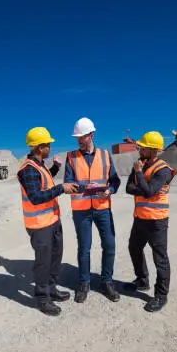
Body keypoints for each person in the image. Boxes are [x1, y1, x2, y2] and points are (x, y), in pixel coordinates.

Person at [17, 126, 79, 316]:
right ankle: (43, 299)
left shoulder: (40, 166)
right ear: (38, 147)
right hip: (39, 225)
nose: (50, 148)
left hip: (52, 221)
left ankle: (51, 289)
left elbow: (44, 181)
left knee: (55, 258)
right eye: (47, 145)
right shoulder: (27, 170)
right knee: (43, 263)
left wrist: (56, 168)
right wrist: (61, 188)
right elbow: (36, 196)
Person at [64, 117, 121, 303]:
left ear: (92, 135)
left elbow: (115, 180)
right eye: (77, 137)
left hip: (102, 208)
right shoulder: (71, 157)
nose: (79, 140)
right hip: (81, 210)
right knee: (84, 248)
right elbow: (68, 183)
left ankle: (107, 282)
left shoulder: (105, 155)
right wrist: (84, 188)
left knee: (110, 245)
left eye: (83, 136)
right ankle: (84, 283)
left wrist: (109, 190)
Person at [125, 131, 176, 312]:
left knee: (160, 258)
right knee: (134, 248)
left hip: (156, 221)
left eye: (143, 147)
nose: (140, 149)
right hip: (140, 218)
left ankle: (161, 296)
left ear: (153, 150)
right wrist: (141, 182)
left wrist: (139, 176)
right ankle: (142, 280)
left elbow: (149, 191)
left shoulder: (162, 170)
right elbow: (128, 188)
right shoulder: (141, 164)